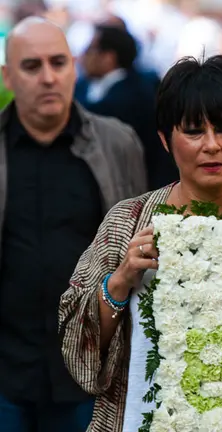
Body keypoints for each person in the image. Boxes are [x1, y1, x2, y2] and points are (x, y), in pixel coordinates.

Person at [58, 55, 222, 432]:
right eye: (194, 131)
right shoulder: (128, 222)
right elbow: (77, 341)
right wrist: (119, 283)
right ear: (165, 141)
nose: (212, 145)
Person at [0, 17, 147, 431]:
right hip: (8, 375)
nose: (48, 77)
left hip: (89, 375)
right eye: (32, 66)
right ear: (8, 76)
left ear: (74, 67)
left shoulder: (117, 144)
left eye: (59, 62)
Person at [75, 24, 177, 190]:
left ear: (108, 57)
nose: (83, 56)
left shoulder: (133, 97)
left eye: (90, 50)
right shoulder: (85, 86)